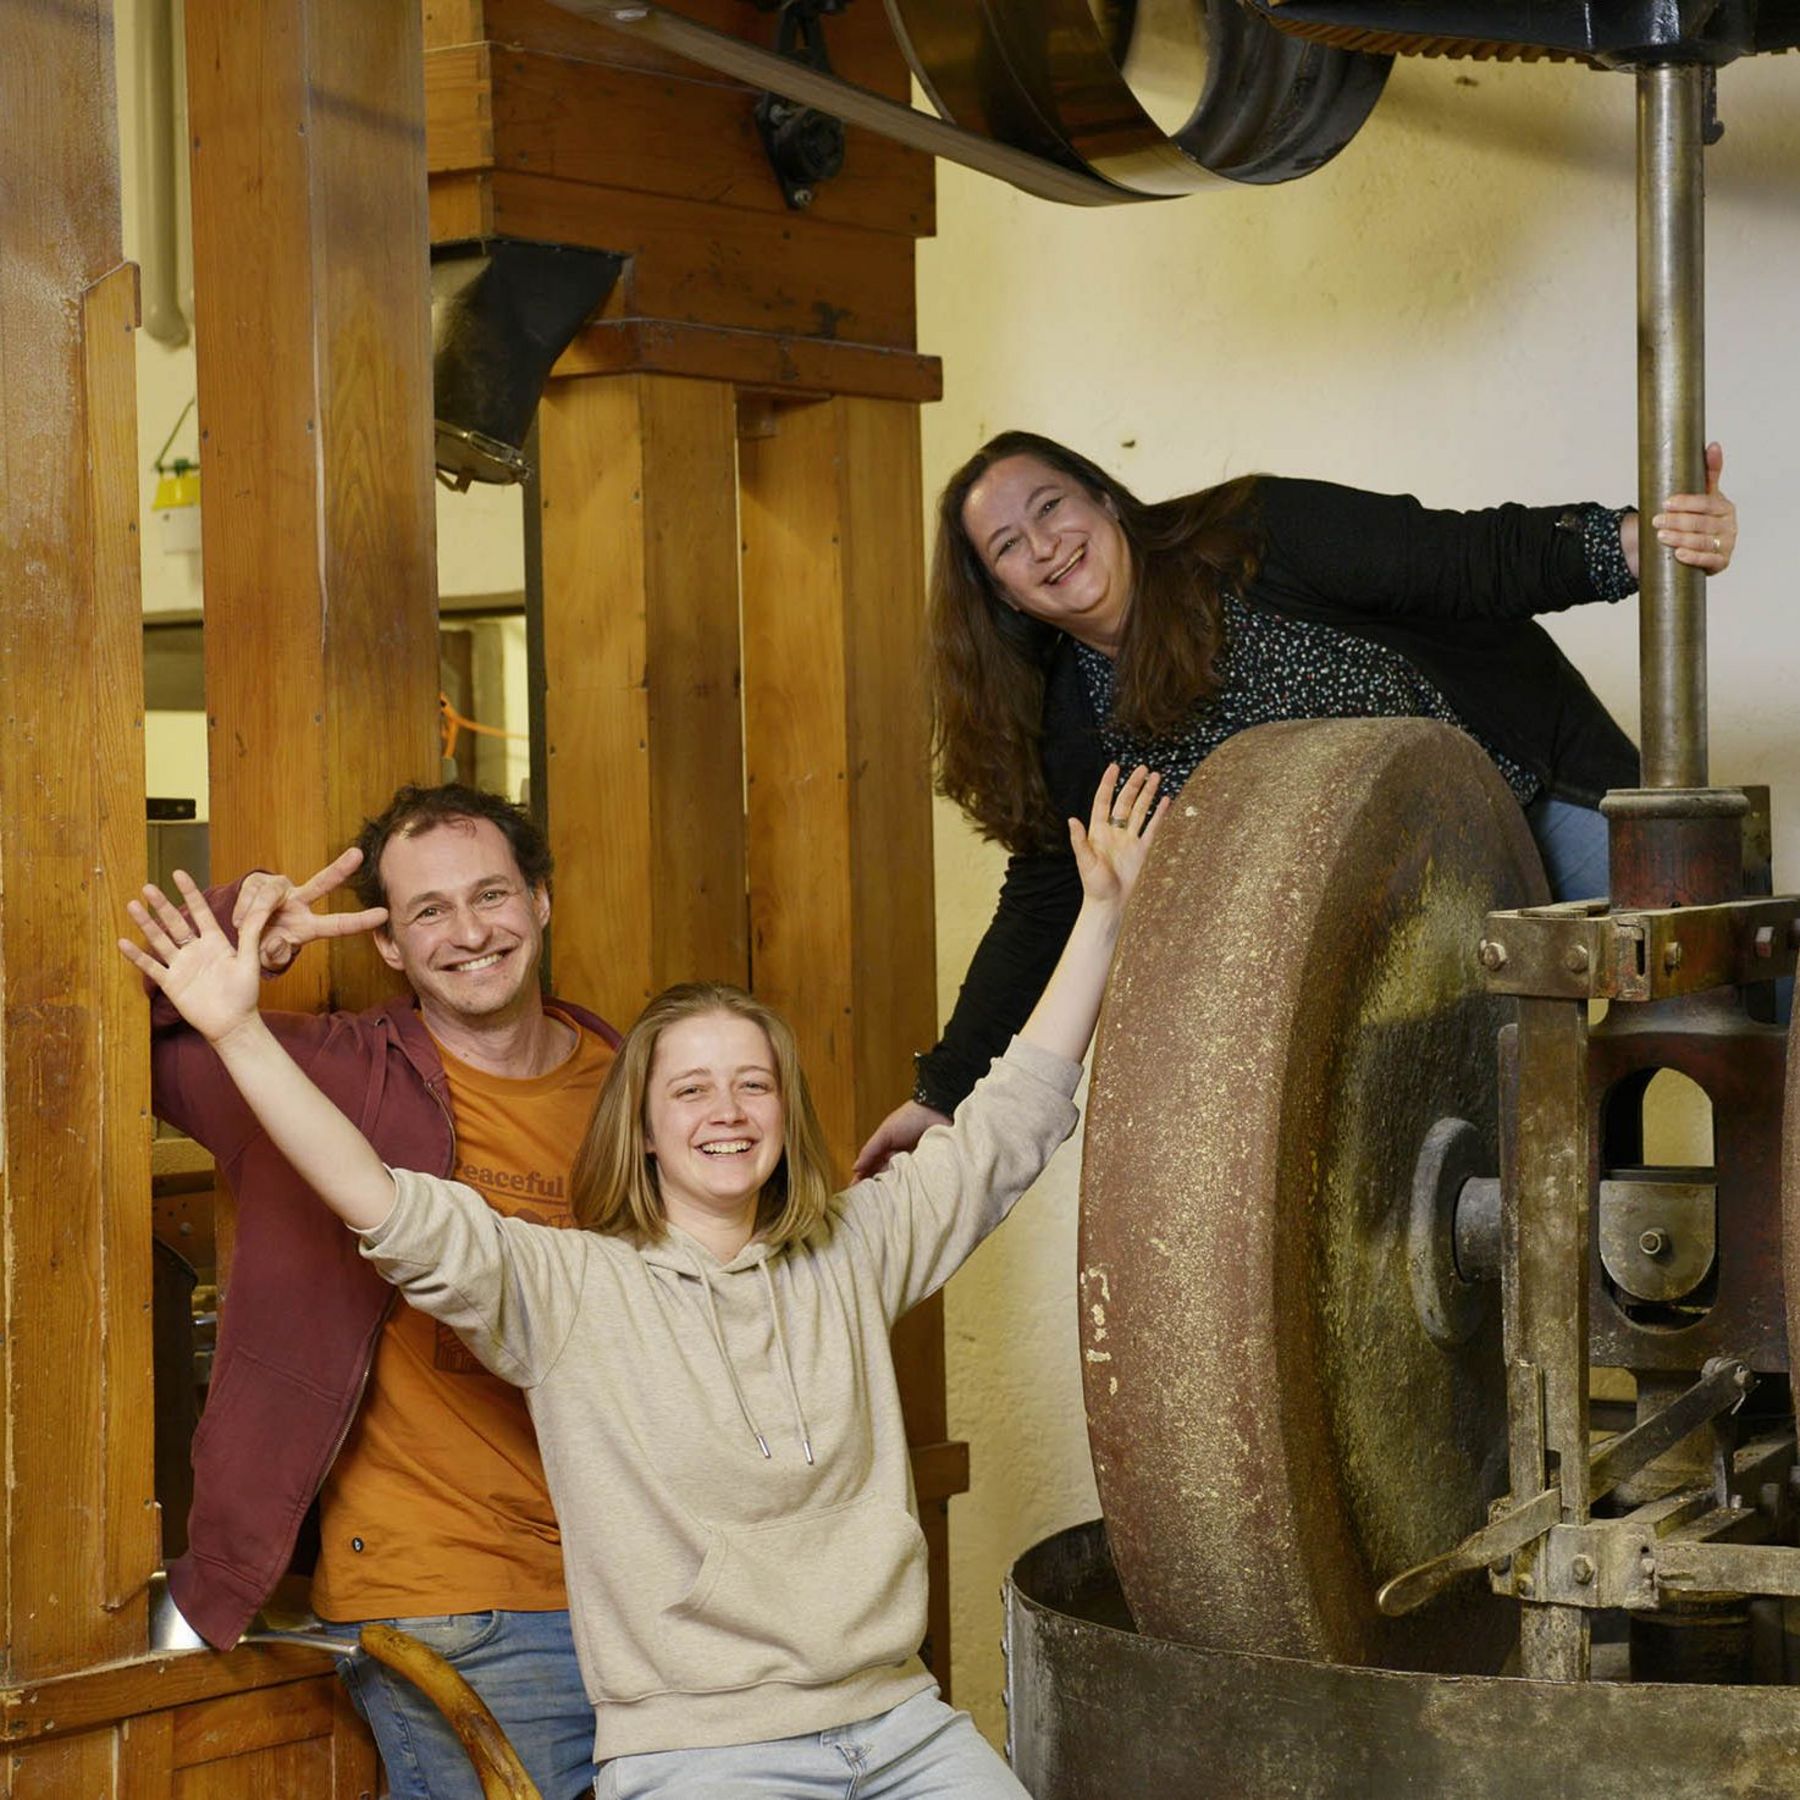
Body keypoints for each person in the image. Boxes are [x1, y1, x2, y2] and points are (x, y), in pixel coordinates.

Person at [120, 763, 1163, 1798]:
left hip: (889, 1716)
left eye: (751, 1085)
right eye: (692, 1091)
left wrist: (1104, 913)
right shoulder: (571, 1286)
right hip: (636, 1700)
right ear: (647, 1132)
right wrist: (238, 1016)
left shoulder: (851, 1245)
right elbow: (375, 1199)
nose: (724, 1110)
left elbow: (1011, 1124)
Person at [853, 432, 1741, 1177]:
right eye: (1008, 546)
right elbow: (1049, 899)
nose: (1044, 546)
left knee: (1717, 964)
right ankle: (1634, 1295)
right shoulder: (1074, 725)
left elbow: (1461, 560)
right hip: (1395, 931)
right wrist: (943, 1093)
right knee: (1519, 1137)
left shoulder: (1252, 535)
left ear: (1106, 500)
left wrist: (1636, 541)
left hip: (1528, 792)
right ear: (1004, 595)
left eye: (1050, 507)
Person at [143, 783, 618, 1800]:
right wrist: (249, 934)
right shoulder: (322, 1074)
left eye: (491, 895)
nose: (469, 932)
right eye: (428, 911)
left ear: (540, 901)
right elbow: (73, 1017)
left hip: (648, 1590)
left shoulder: (634, 1085)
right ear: (392, 947)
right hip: (451, 1601)